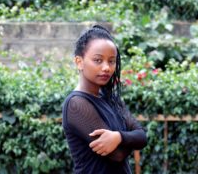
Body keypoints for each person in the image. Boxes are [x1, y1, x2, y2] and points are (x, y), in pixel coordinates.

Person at [62, 25, 147, 174]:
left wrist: (118, 137)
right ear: (79, 62)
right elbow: (117, 154)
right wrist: (129, 138)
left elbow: (142, 136)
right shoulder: (76, 104)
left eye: (112, 61)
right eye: (98, 60)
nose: (106, 67)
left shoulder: (111, 99)